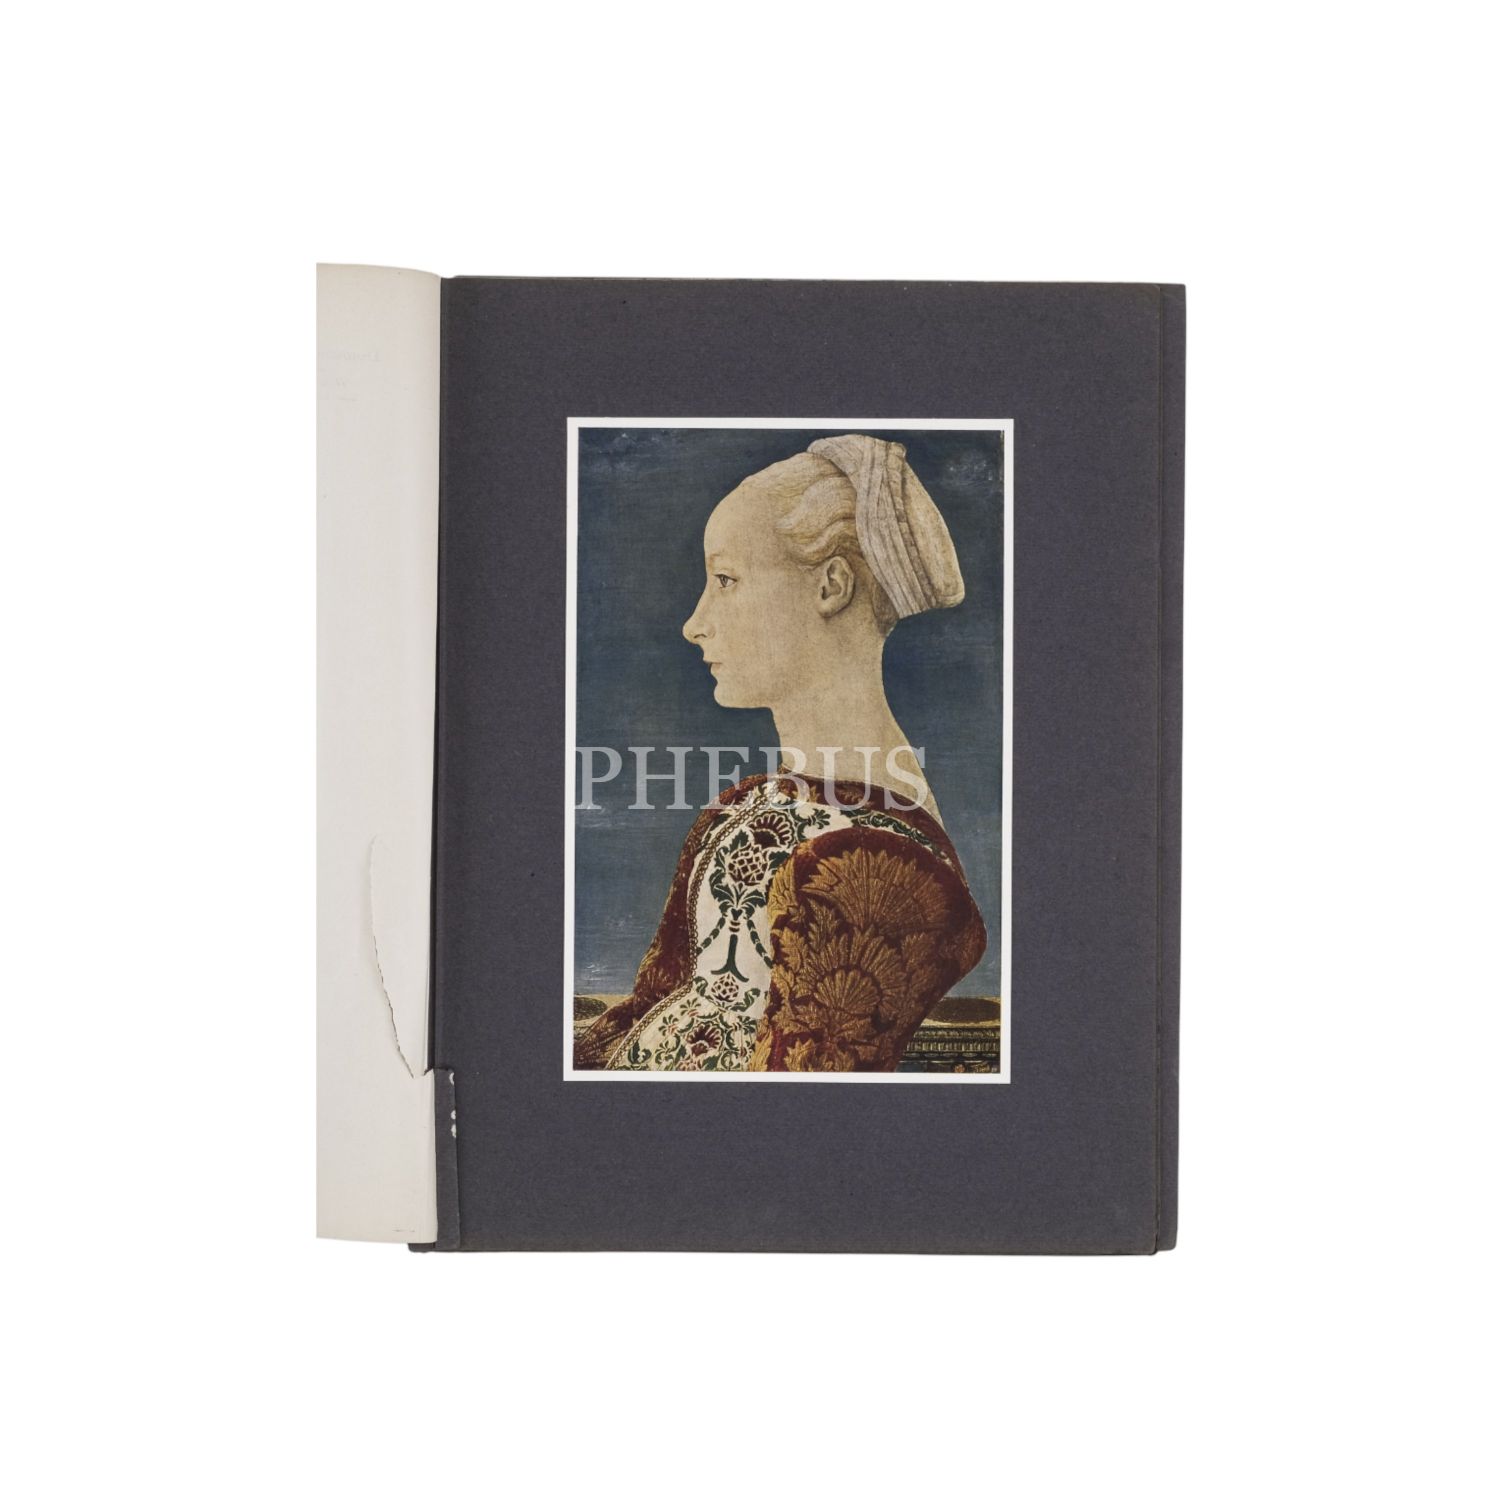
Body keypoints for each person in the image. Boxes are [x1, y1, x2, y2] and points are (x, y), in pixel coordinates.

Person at [574, 435, 987, 1072]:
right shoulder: (744, 805)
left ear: (832, 586)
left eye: (726, 580)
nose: (694, 623)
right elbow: (646, 1009)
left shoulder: (874, 868)